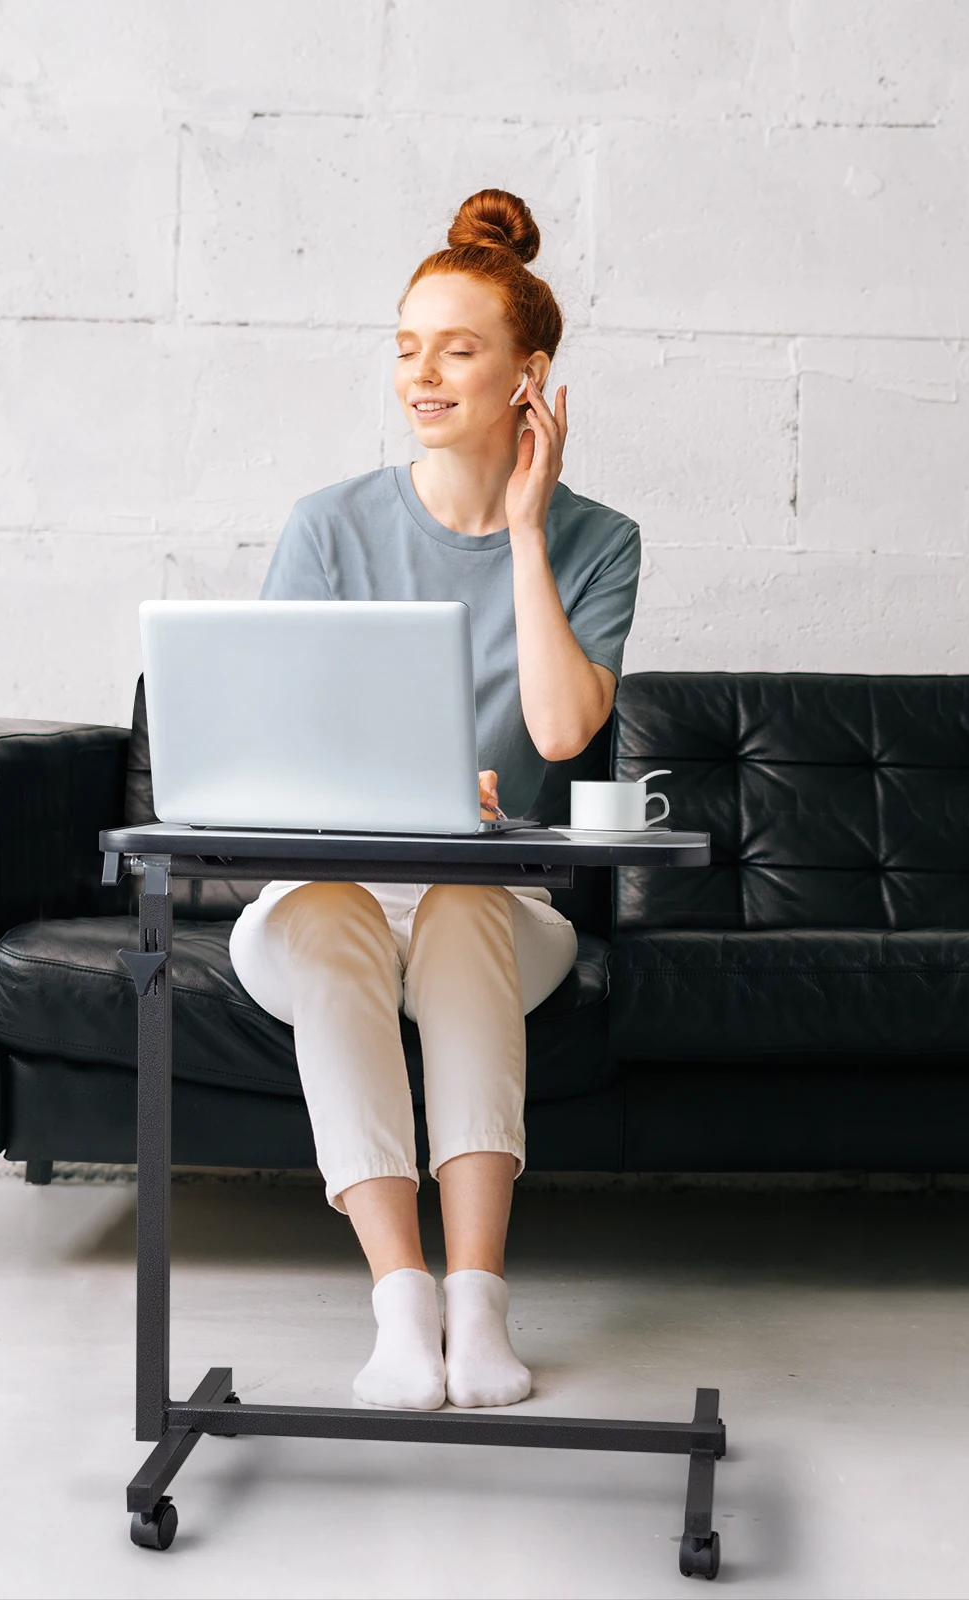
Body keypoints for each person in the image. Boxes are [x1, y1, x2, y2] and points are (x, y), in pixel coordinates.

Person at [229, 188, 641, 1411]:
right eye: (408, 347)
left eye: (458, 348)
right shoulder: (328, 526)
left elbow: (565, 730)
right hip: (332, 888)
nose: (423, 373)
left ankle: (478, 1296)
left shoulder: (597, 538)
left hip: (497, 899)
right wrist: (388, 788)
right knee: (328, 913)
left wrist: (523, 531)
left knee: (464, 897)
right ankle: (399, 1300)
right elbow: (265, 743)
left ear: (529, 373)